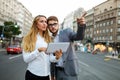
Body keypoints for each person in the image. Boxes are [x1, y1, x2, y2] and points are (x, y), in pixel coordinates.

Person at [22, 15, 62, 80]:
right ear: (36, 24)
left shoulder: (49, 39)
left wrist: (57, 57)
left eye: (45, 22)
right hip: (33, 74)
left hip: (46, 75)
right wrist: (38, 50)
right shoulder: (28, 38)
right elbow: (26, 59)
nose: (44, 24)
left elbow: (50, 58)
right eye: (41, 21)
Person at [47, 15, 86, 80]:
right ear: (48, 27)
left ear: (58, 24)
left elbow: (79, 37)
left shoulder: (67, 32)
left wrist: (81, 26)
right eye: (50, 25)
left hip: (69, 69)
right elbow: (51, 59)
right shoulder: (49, 39)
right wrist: (52, 74)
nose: (53, 26)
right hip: (57, 71)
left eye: (55, 24)